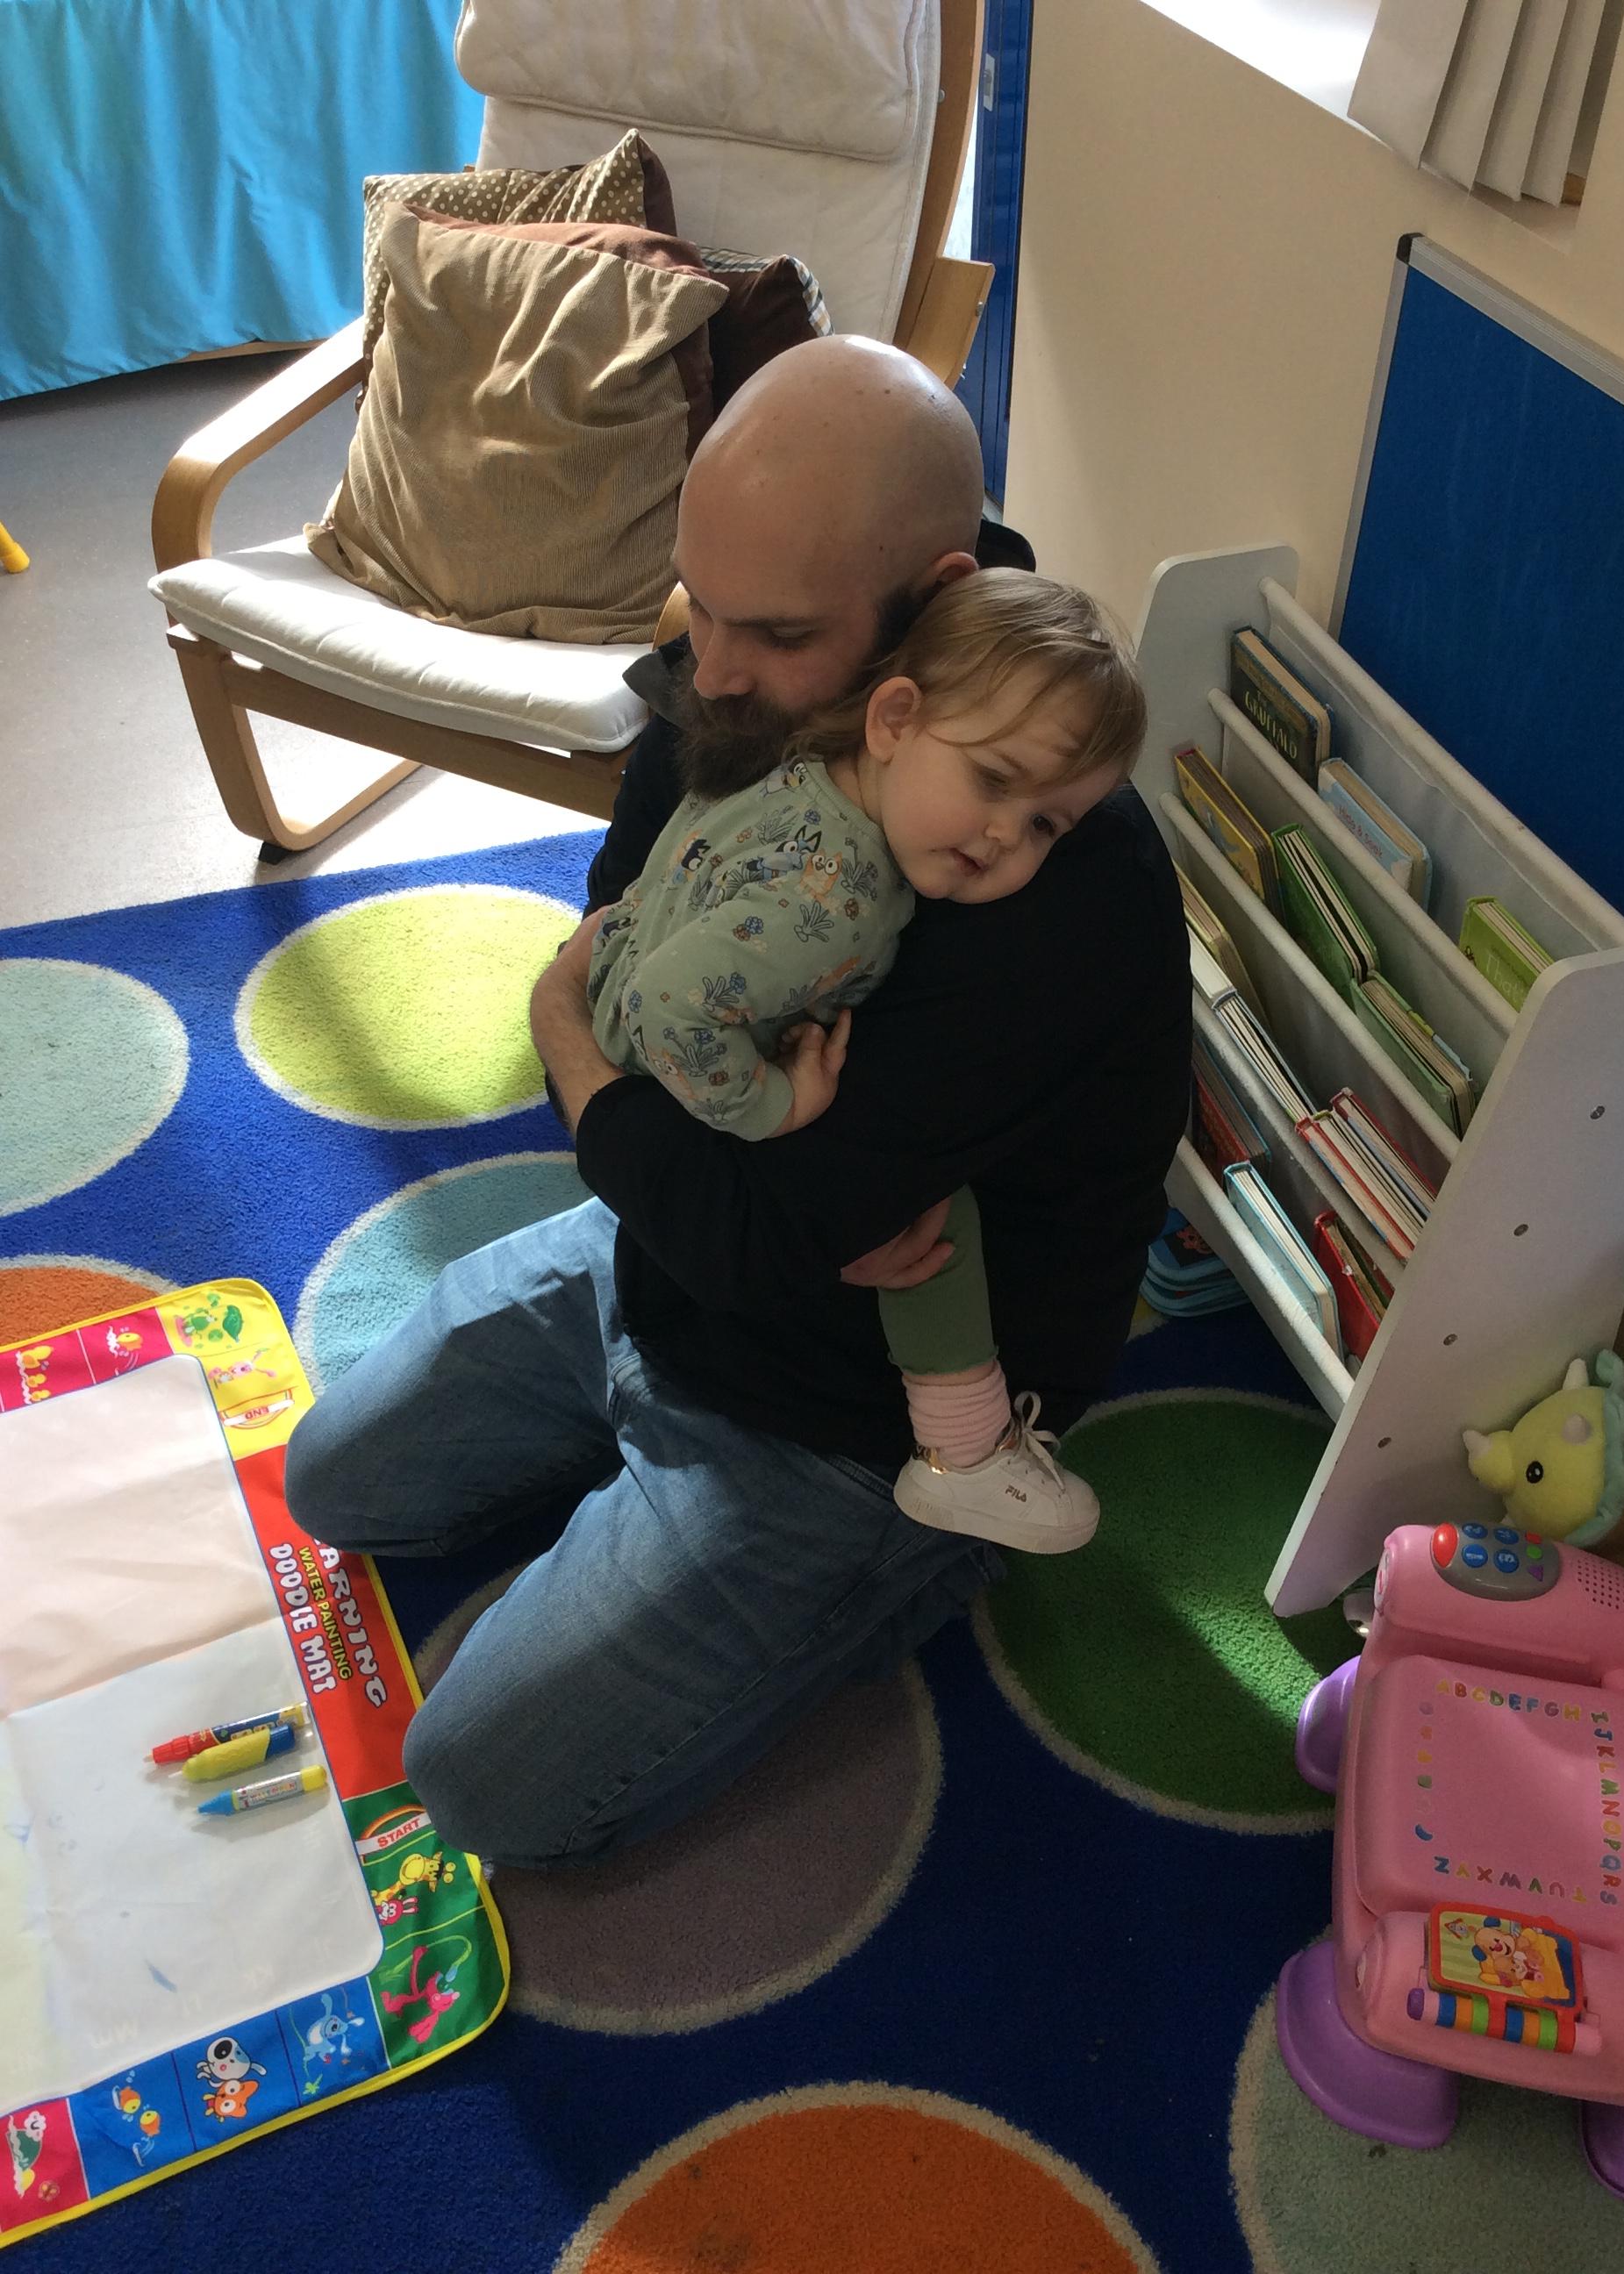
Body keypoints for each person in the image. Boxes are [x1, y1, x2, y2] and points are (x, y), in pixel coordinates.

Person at [283, 337, 1191, 1870]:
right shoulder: (740, 694)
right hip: (657, 1250)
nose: (709, 670)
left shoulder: (1052, 880)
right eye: (698, 604)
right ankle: (639, 1461)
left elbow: (661, 1113)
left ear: (931, 602)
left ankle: (917, 1559)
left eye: (772, 631)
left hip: (856, 1414)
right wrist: (647, 1113)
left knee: (483, 1788)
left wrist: (582, 1059)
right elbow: (623, 964)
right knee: (334, 1482)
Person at [584, 569, 1147, 1555]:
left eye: (1047, 824)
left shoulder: (802, 759)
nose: (1006, 836)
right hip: (664, 1055)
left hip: (627, 977)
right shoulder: (840, 902)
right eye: (995, 781)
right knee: (934, 1218)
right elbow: (671, 1008)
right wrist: (771, 1106)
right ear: (893, 718)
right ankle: (965, 1452)